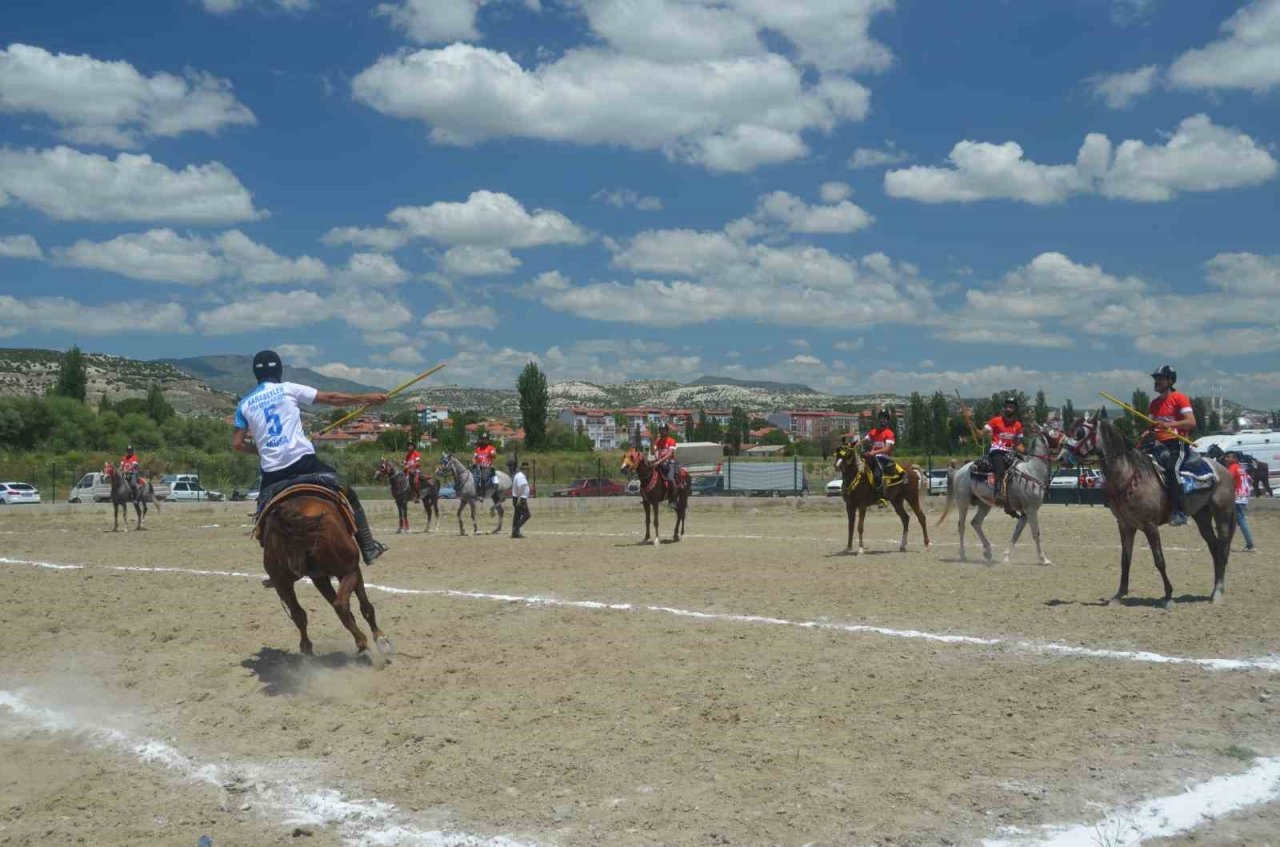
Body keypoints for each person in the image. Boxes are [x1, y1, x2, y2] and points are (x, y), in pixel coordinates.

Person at [231, 349, 389, 565]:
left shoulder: (244, 404)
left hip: (272, 474)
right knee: (347, 491)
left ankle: (275, 565)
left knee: (263, 520)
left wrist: (260, 450)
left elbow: (237, 444)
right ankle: (369, 548)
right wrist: (366, 398)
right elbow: (331, 398)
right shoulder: (288, 389)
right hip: (304, 464)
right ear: (279, 370)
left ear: (256, 375)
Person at [1140, 365, 1195, 527]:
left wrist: (1171, 424)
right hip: (1157, 444)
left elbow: (1191, 422)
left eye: (1160, 378)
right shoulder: (1154, 403)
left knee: (1172, 469)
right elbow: (1151, 425)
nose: (1156, 382)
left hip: (1177, 444)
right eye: (1155, 379)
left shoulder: (1180, 398)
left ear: (1170, 381)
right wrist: (1147, 432)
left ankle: (1181, 512)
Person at [984, 397, 1024, 503]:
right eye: (1007, 406)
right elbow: (982, 433)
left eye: (1011, 407)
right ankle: (997, 493)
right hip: (997, 451)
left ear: (1015, 409)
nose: (1009, 409)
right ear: (1004, 408)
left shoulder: (1018, 425)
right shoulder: (995, 420)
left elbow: (1018, 444)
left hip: (1011, 452)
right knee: (1000, 469)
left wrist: (1028, 453)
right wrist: (972, 425)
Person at [1225, 450, 1256, 553]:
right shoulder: (1241, 468)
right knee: (1233, 520)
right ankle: (1227, 544)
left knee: (1240, 520)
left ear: (1235, 459)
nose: (1226, 459)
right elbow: (1250, 480)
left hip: (1237, 497)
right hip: (1244, 496)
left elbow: (1227, 478)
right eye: (1226, 457)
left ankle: (1250, 544)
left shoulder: (1233, 467)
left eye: (1229, 457)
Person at [861, 412, 897, 493]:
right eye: (881, 418)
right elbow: (864, 440)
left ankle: (881, 496)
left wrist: (874, 452)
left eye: (884, 418)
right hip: (872, 457)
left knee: (877, 474)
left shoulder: (889, 433)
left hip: (884, 458)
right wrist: (853, 445)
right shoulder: (873, 432)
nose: (882, 420)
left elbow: (887, 449)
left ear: (887, 420)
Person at [653, 423, 679, 497]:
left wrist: (659, 461)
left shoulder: (672, 441)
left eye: (663, 430)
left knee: (670, 477)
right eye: (661, 430)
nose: (662, 432)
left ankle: (673, 497)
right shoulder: (658, 441)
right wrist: (652, 441)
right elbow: (652, 452)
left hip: (670, 463)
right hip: (659, 463)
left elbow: (670, 454)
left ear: (667, 431)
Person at [510, 460, 531, 538]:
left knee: (517, 515)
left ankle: (515, 532)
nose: (528, 470)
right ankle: (515, 530)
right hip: (520, 498)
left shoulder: (518, 475)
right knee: (527, 515)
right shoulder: (521, 476)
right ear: (524, 469)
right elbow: (520, 487)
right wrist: (519, 499)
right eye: (527, 469)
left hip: (517, 498)